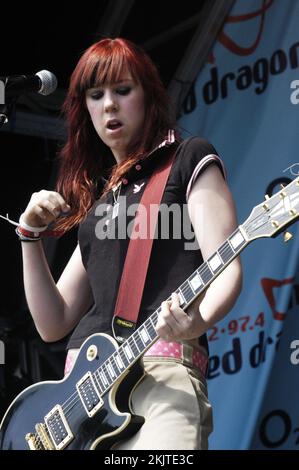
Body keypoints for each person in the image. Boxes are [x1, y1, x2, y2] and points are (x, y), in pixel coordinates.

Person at [17, 38, 242, 450]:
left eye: (123, 90)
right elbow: (54, 322)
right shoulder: (102, 202)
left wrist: (198, 322)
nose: (109, 106)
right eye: (96, 94)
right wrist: (28, 237)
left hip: (162, 377)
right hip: (83, 401)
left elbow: (226, 264)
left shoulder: (189, 159)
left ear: (150, 96)